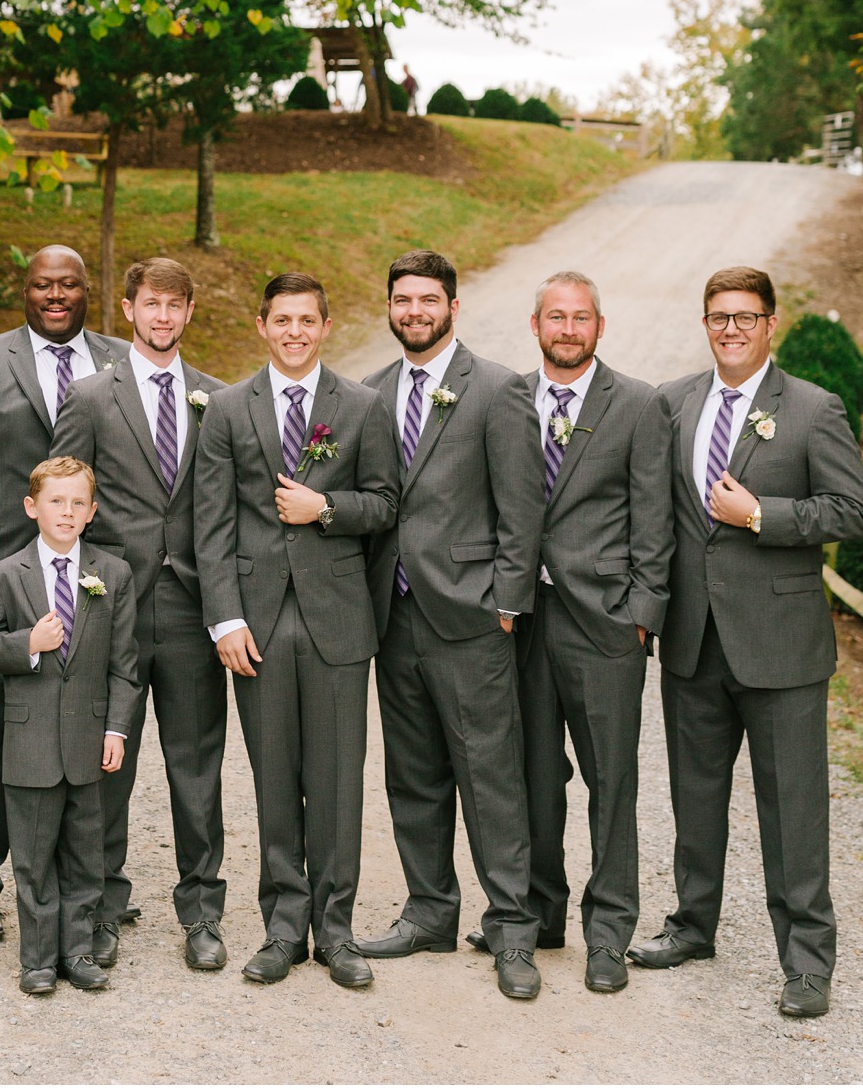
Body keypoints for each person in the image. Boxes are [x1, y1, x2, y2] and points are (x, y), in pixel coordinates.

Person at [630, 267, 863, 1019]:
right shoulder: (672, 402)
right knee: (694, 798)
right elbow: (656, 515)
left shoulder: (812, 408)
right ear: (704, 324)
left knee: (792, 808)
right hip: (694, 642)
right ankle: (692, 925)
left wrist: (761, 514)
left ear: (771, 322)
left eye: (744, 316)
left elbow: (851, 511)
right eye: (717, 316)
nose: (730, 329)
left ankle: (806, 961)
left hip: (782, 645)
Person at [194, 272, 400, 990]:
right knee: (275, 777)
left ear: (325, 324)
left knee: (338, 780)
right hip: (256, 620)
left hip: (337, 618)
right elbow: (210, 522)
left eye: (306, 319)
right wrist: (224, 616)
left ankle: (336, 930)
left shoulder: (364, 404)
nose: (294, 331)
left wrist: (327, 507)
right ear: (262, 325)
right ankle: (284, 927)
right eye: (281, 319)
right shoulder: (224, 408)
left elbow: (383, 504)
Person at [0, 245, 130, 941]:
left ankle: (86, 880)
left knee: (79, 722)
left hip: (83, 576)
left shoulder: (119, 360)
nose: (57, 294)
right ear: (25, 290)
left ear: (87, 290)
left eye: (70, 283)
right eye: (44, 284)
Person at [356, 251, 544, 1001]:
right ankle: (430, 910)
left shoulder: (498, 389)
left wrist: (504, 601)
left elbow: (522, 509)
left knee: (491, 777)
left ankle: (512, 927)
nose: (414, 311)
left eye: (428, 299)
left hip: (470, 616)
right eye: (402, 299)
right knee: (415, 774)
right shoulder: (370, 393)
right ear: (391, 307)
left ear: (454, 307)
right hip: (393, 616)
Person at [53, 257, 230, 972]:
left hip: (191, 609)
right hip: (114, 610)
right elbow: (64, 499)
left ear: (189, 313)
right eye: (152, 304)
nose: (163, 317)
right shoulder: (91, 396)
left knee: (197, 768)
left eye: (176, 306)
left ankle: (202, 911)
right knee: (107, 766)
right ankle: (100, 905)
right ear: (130, 308)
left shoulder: (216, 397)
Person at [513, 270, 674, 993]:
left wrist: (642, 615)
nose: (568, 328)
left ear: (599, 327)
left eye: (581, 317)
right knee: (533, 779)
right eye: (556, 316)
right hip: (522, 622)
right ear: (536, 324)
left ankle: (608, 931)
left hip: (606, 624)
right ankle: (542, 911)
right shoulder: (507, 399)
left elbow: (655, 518)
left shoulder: (637, 404)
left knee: (611, 781)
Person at [0, 458, 141, 996]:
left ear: (92, 512)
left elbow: (125, 665)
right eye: (55, 502)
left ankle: (78, 950)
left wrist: (115, 729)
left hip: (89, 739)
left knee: (85, 852)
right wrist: (28, 645)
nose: (66, 512)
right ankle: (39, 957)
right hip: (30, 740)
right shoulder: (2, 576)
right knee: (34, 854)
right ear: (31, 508)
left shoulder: (113, 574)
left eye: (76, 503)